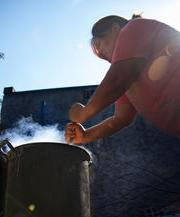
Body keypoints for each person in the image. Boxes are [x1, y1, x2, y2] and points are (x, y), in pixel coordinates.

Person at [65, 14, 180, 144]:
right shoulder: (129, 80)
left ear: (115, 28)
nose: (100, 53)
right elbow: (121, 118)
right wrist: (86, 135)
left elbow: (117, 80)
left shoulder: (134, 27)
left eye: (99, 44)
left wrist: (83, 113)